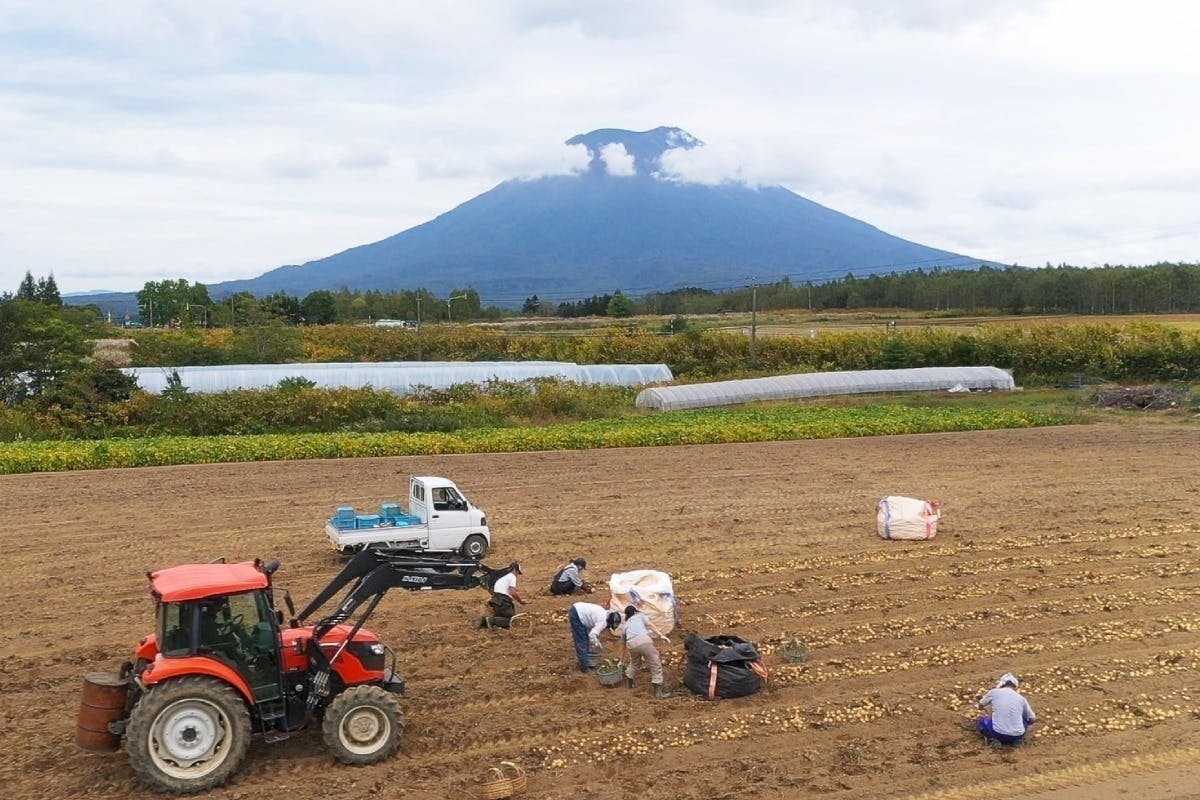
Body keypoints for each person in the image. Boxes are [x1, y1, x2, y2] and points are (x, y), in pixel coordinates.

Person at [618, 604, 670, 699]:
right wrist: (660, 635)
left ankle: (629, 682)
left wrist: (621, 661)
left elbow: (622, 645)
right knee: (655, 663)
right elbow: (650, 624)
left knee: (635, 663)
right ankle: (658, 691)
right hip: (644, 640)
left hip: (631, 644)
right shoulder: (640, 616)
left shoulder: (625, 626)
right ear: (635, 612)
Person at [977, 672, 1036, 745]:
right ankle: (1016, 740)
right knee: (1024, 718)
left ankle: (993, 739)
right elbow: (1032, 719)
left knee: (982, 720)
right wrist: (1026, 723)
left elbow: (980, 705)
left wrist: (986, 711)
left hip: (998, 733)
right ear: (1015, 686)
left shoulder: (994, 692)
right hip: (1018, 735)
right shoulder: (1021, 698)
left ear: (1002, 684)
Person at [567, 602, 622, 672]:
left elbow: (590, 631)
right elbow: (592, 635)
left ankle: (583, 661)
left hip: (577, 609)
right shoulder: (603, 622)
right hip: (577, 614)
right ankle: (584, 667)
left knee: (584, 639)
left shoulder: (604, 613)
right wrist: (597, 644)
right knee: (582, 642)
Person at [477, 561, 527, 629]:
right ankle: (491, 620)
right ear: (515, 570)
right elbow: (513, 593)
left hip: (496, 600)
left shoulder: (503, 576)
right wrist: (520, 601)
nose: (517, 575)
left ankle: (486, 621)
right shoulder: (512, 576)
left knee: (503, 616)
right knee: (510, 619)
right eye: (518, 572)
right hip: (502, 601)